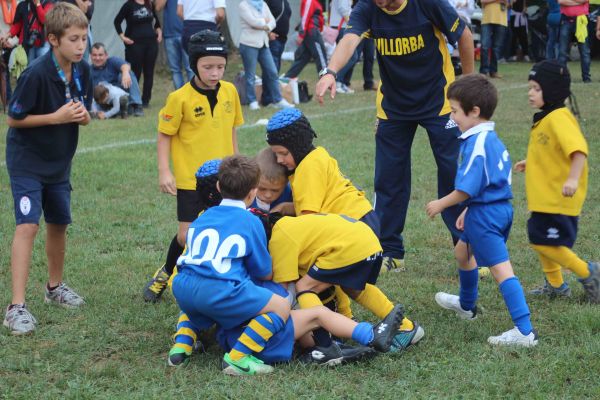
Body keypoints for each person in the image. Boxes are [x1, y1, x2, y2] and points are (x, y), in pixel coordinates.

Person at [316, 0, 474, 272]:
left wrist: (469, 83)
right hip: (393, 107)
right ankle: (391, 250)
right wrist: (331, 71)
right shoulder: (368, 7)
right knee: (389, 179)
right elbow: (349, 39)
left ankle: (469, 248)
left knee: (453, 174)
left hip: (439, 101)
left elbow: (464, 35)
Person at [265, 109, 423, 350]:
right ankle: (403, 327)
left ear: (297, 146)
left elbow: (308, 220)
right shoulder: (317, 156)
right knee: (349, 283)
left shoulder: (307, 167)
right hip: (361, 223)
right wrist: (288, 206)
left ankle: (331, 335)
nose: (280, 161)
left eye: (283, 153)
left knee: (307, 283)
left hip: (351, 228)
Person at [426, 74, 538, 347]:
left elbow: (466, 189)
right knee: (462, 253)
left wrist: (441, 204)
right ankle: (466, 306)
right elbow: (489, 182)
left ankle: (524, 331)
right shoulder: (491, 138)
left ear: (474, 111)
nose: (452, 117)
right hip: (493, 209)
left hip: (487, 216)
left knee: (502, 271)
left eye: (454, 111)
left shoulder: (476, 144)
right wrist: (468, 211)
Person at [3, 2, 92, 335]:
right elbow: (13, 117)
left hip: (59, 161)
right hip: (27, 161)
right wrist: (55, 118)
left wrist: (83, 115)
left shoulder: (82, 69)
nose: (81, 45)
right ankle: (16, 307)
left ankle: (54, 287)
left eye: (83, 38)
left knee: (59, 223)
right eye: (73, 39)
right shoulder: (36, 73)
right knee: (28, 226)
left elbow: (84, 109)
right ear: (53, 40)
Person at [142, 30, 243, 303]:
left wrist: (236, 163)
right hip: (190, 179)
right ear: (194, 64)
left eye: (220, 66)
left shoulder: (231, 92)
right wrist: (165, 171)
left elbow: (233, 129)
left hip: (225, 177)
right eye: (208, 67)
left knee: (224, 230)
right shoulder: (179, 98)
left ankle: (217, 280)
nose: (215, 72)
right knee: (186, 236)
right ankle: (165, 272)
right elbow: (165, 134)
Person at [171, 155, 291, 376]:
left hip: (182, 287)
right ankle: (239, 357)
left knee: (196, 304)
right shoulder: (251, 220)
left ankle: (181, 346)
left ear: (218, 186)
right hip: (220, 290)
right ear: (253, 192)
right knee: (281, 306)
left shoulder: (202, 217)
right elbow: (262, 271)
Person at [264, 211, 420, 363]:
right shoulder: (291, 225)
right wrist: (345, 313)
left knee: (304, 287)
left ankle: (324, 344)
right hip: (367, 240)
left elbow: (280, 292)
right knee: (353, 288)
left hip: (350, 245)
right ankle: (407, 327)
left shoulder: (279, 236)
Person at [514, 60, 598, 303]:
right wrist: (530, 162)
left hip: (559, 197)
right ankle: (556, 285)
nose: (530, 93)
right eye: (530, 87)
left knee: (544, 241)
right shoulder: (547, 117)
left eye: (537, 88)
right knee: (541, 239)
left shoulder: (560, 117)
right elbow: (551, 151)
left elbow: (579, 151)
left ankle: (589, 273)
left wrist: (572, 179)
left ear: (551, 91)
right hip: (545, 198)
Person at [238, 0, 293, 111]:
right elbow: (253, 22)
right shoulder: (243, 5)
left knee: (272, 72)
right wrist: (265, 22)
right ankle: (252, 101)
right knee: (250, 75)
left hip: (264, 43)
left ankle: (278, 100)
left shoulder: (262, 3)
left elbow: (272, 21)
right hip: (249, 43)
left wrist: (264, 25)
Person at [114, 0, 162, 107]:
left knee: (149, 72)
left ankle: (145, 101)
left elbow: (156, 21)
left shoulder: (149, 4)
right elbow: (117, 21)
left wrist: (159, 31)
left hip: (151, 43)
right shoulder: (128, 5)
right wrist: (123, 37)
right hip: (135, 44)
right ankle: (133, 100)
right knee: (135, 72)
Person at [89, 42, 144, 116]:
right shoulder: (88, 70)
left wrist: (125, 73)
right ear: (90, 56)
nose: (97, 58)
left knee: (128, 73)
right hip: (102, 101)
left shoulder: (112, 61)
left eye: (100, 55)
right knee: (93, 107)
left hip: (118, 95)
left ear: (106, 55)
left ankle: (137, 105)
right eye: (94, 55)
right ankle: (124, 110)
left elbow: (125, 66)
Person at [283, 0, 327, 79]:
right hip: (311, 32)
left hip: (311, 32)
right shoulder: (309, 1)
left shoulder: (315, 2)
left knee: (303, 58)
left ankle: (287, 78)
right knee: (321, 57)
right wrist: (301, 34)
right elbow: (305, 17)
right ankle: (325, 79)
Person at [155, 0, 193, 89]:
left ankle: (193, 96)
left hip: (187, 33)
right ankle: (180, 98)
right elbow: (157, 7)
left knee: (191, 68)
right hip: (170, 34)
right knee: (175, 70)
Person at [261, 0, 292, 106]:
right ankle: (268, 99)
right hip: (273, 39)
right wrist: (268, 32)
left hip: (282, 39)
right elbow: (262, 16)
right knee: (271, 70)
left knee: (275, 69)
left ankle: (272, 97)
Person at [251, 147, 294, 214]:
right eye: (262, 189)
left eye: (275, 190)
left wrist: (289, 207)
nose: (268, 195)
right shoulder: (243, 195)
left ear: (286, 183)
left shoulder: (291, 195)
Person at [557, 0, 591, 82]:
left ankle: (586, 77)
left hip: (580, 21)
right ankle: (561, 77)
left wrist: (570, 1)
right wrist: (578, 2)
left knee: (584, 51)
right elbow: (561, 1)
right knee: (563, 51)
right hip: (566, 20)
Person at [480, 0, 508, 77]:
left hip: (501, 20)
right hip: (486, 20)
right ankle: (484, 71)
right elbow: (483, 1)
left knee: (496, 48)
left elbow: (509, 3)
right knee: (484, 46)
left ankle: (493, 71)